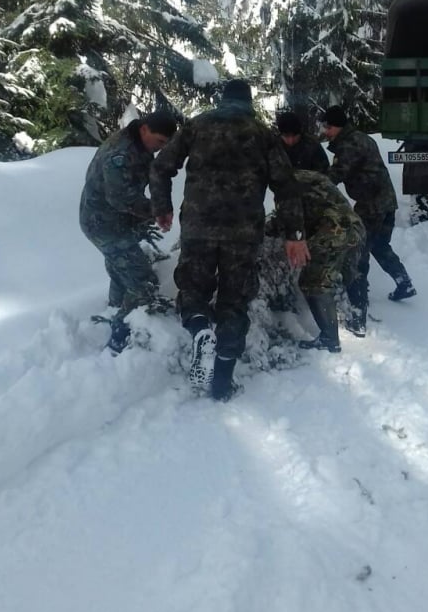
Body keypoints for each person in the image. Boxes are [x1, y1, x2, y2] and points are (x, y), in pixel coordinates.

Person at [149, 79, 309, 401]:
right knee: (234, 302)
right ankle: (222, 383)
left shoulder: (197, 126)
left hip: (198, 228)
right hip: (243, 234)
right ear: (248, 103)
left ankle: (200, 330)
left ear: (222, 100)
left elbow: (161, 167)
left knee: (194, 291)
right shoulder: (263, 134)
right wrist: (294, 235)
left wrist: (162, 208)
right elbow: (286, 186)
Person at [80, 111, 178, 353]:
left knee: (122, 273)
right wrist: (156, 211)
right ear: (144, 129)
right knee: (142, 282)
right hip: (103, 224)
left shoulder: (137, 144)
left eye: (165, 144)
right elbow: (119, 197)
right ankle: (119, 340)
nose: (159, 148)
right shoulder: (121, 153)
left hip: (115, 222)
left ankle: (114, 312)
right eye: (159, 141)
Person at [322, 105, 416, 336]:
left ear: (336, 126)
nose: (325, 132)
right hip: (386, 202)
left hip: (371, 205)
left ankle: (358, 316)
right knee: (380, 246)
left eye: (327, 127)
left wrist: (312, 184)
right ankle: (404, 283)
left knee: (358, 254)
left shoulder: (349, 145)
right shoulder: (360, 138)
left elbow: (335, 176)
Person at [267, 169, 365, 352]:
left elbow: (286, 217)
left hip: (333, 232)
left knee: (313, 283)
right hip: (355, 228)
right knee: (347, 276)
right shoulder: (305, 176)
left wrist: (262, 231)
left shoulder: (285, 186)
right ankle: (358, 321)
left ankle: (330, 339)